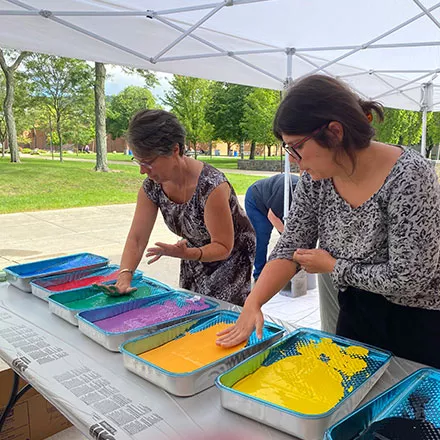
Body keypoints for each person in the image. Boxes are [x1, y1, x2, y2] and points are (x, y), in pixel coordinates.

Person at [217, 74, 440, 368]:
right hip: (357, 311)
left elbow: (410, 279)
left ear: (334, 132)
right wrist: (253, 303)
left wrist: (335, 267)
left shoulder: (410, 176)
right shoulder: (316, 179)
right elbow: (292, 245)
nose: (293, 159)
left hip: (415, 321)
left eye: (296, 147)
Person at [112, 109, 256, 306]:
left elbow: (222, 246)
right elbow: (136, 238)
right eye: (138, 160)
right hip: (192, 253)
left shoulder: (212, 186)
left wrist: (188, 253)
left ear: (175, 150)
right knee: (191, 311)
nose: (142, 170)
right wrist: (124, 276)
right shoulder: (152, 186)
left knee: (220, 319)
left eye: (149, 162)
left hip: (231, 258)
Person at [244, 173, 299, 281]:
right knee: (262, 237)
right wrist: (289, 237)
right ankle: (259, 275)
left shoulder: (307, 195)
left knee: (290, 238)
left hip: (274, 202)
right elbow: (272, 216)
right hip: (256, 200)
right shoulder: (287, 189)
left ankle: (289, 271)